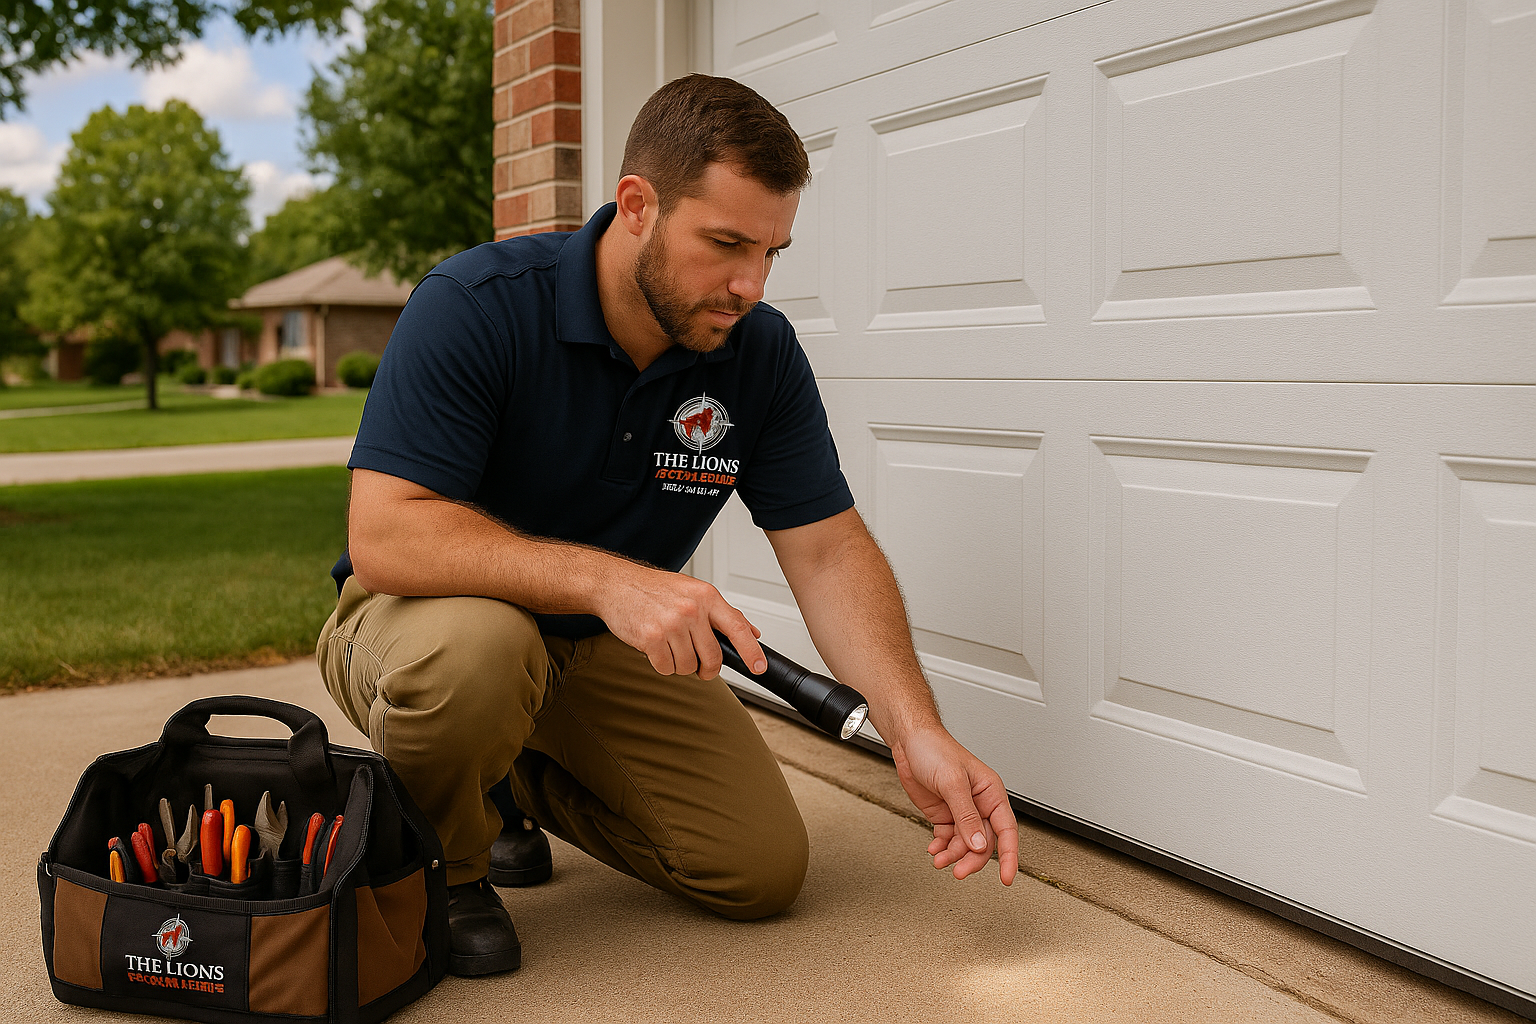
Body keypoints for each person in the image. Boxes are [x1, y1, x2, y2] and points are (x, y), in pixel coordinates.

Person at [315, 74, 1018, 977]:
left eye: (772, 252)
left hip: (599, 649)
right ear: (637, 205)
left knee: (757, 871)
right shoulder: (478, 303)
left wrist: (913, 725)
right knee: (477, 657)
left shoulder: (756, 352)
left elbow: (828, 549)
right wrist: (613, 580)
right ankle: (440, 869)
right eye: (725, 243)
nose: (750, 286)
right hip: (428, 621)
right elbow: (387, 536)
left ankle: (505, 772)